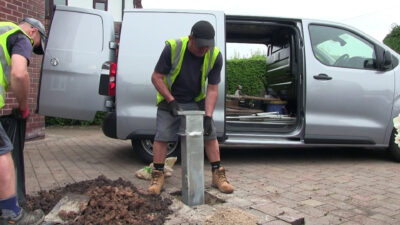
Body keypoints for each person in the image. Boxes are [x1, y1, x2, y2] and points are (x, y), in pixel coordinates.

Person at [150, 20, 234, 195]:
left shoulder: (215, 55)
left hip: (196, 100)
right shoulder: (173, 48)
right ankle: (158, 175)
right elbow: (156, 77)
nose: (204, 50)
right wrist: (171, 100)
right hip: (170, 98)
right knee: (163, 135)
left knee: (210, 134)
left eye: (207, 47)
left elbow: (212, 89)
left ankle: (217, 174)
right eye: (200, 46)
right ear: (191, 38)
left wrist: (208, 116)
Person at [0, 17, 46, 225]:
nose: (32, 50)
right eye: (36, 46)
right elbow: (19, 74)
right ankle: (12, 215)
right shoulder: (20, 36)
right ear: (33, 32)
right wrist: (23, 105)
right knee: (3, 152)